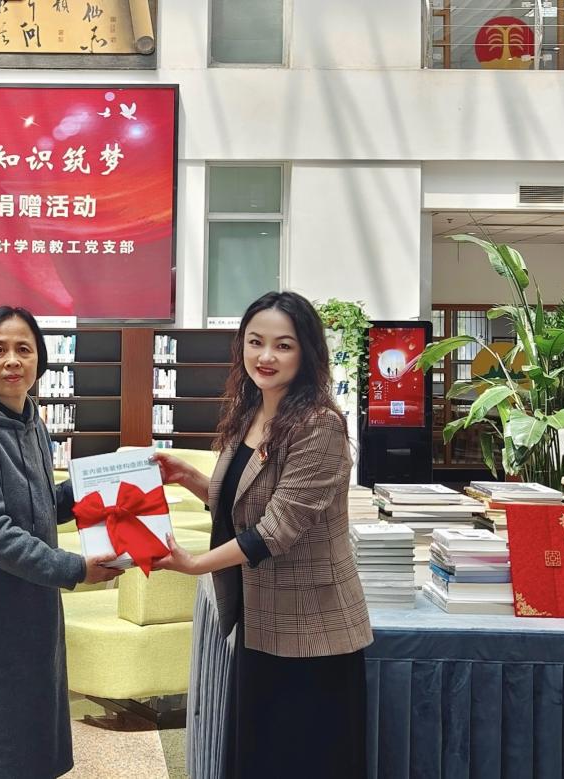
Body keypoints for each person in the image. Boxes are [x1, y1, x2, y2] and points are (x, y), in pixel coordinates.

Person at [153, 290, 373, 778]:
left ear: (307, 352)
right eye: (255, 342)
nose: (266, 356)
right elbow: (243, 505)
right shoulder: (250, 411)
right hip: (259, 620)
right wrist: (187, 476)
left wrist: (194, 563)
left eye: (283, 345)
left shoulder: (319, 425)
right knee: (259, 757)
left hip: (312, 630)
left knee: (302, 762)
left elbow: (275, 529)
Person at [0, 306, 121, 778]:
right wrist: (76, 568)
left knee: (30, 739)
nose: (13, 361)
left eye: (24, 349)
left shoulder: (31, 422)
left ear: (40, 360)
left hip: (33, 611)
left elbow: (40, 507)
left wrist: (107, 483)